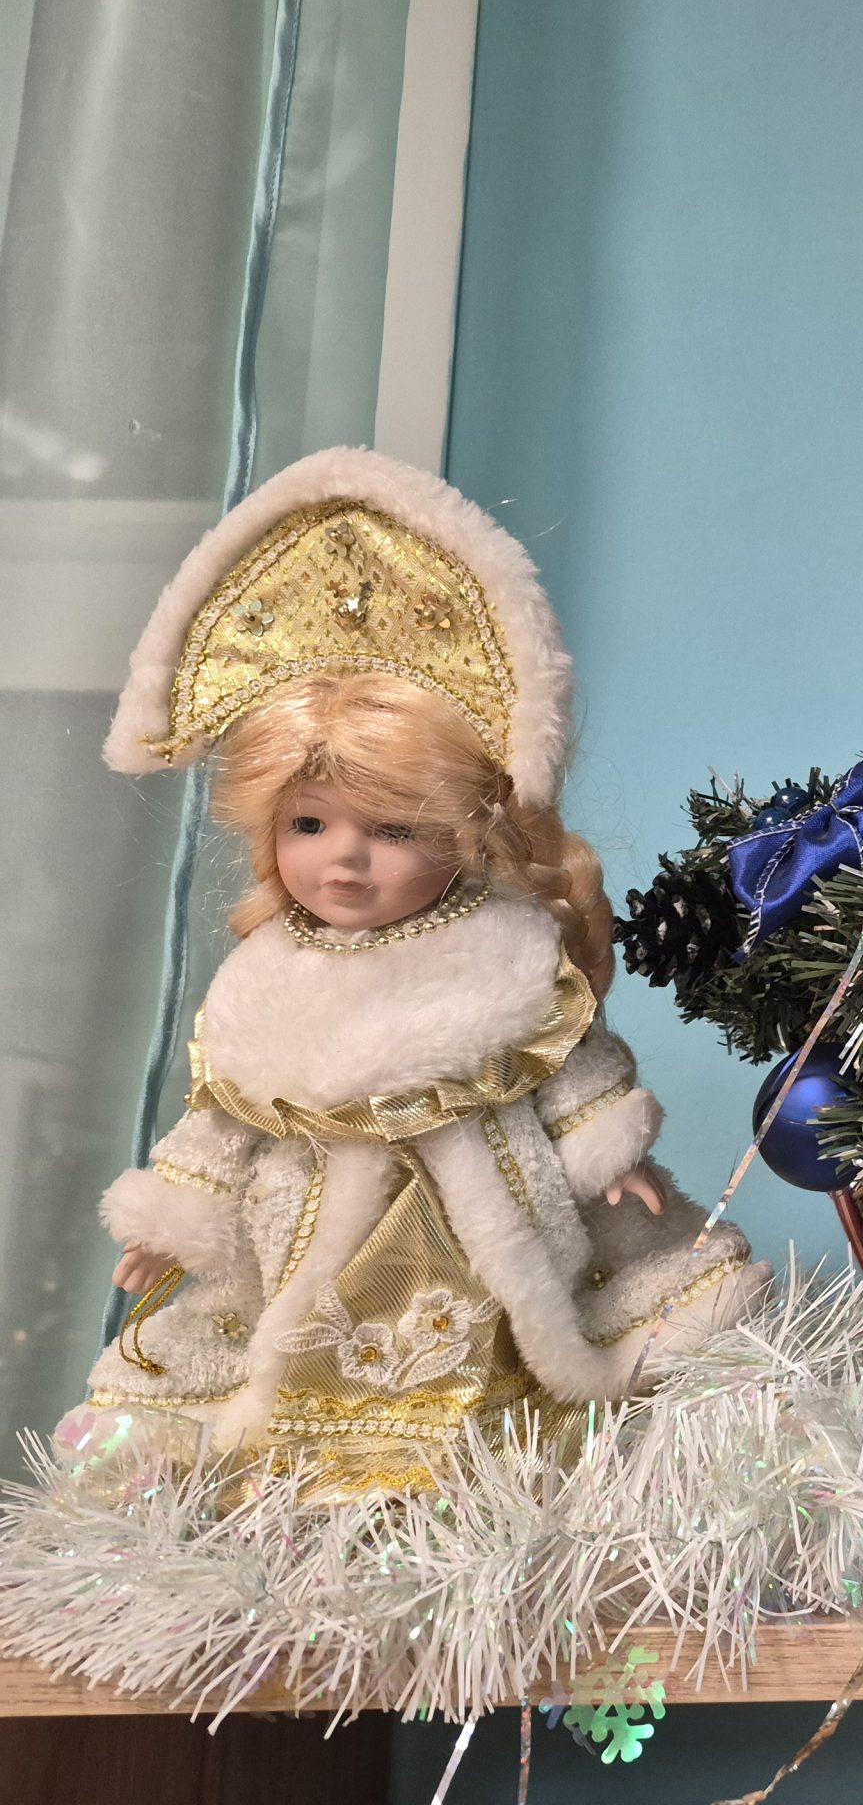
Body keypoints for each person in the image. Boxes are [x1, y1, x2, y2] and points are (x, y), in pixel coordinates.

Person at [77, 449, 766, 1495]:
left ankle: (474, 1477)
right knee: (286, 1360)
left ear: (464, 830)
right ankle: (314, 1483)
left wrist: (604, 1146)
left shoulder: (505, 952)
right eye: (309, 825)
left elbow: (567, 1065)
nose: (344, 860)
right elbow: (224, 1118)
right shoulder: (265, 975)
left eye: (392, 830)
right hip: (305, 1220)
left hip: (470, 1221)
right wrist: (176, 1217)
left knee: (497, 1359)